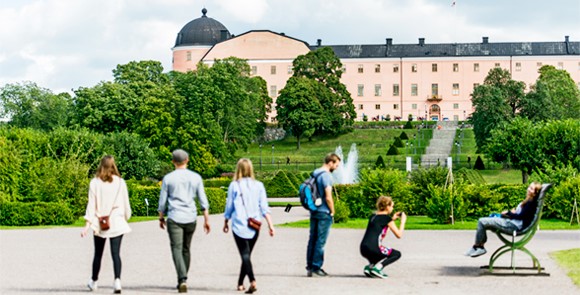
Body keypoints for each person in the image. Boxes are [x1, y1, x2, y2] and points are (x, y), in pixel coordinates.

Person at [158, 149, 211, 293]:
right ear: (187, 159)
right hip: (190, 217)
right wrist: (206, 219)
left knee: (176, 248)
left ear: (173, 162)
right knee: (186, 248)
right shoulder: (196, 178)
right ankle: (183, 278)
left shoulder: (168, 178)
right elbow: (203, 201)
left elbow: (162, 202)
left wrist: (161, 216)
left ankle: (182, 278)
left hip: (175, 217)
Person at [223, 158, 275, 294]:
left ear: (238, 169)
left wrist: (226, 221)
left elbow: (229, 206)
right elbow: (264, 207)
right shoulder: (259, 185)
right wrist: (270, 225)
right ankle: (240, 283)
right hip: (255, 225)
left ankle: (252, 281)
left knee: (245, 254)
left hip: (239, 224)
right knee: (247, 255)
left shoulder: (234, 185)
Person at [81, 155, 132, 293]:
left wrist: (87, 224)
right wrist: (126, 217)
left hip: (100, 222)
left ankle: (94, 281)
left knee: (98, 254)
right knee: (116, 254)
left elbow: (91, 205)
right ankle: (117, 281)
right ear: (113, 165)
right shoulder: (121, 182)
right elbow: (126, 204)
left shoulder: (95, 183)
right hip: (116, 221)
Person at [465, 182, 542, 257]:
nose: (528, 189)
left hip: (513, 226)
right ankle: (478, 246)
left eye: (531, 189)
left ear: (535, 193)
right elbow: (522, 214)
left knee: (482, 221)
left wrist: (509, 213)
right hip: (512, 223)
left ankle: (478, 247)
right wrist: (512, 212)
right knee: (485, 222)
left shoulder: (531, 203)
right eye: (529, 187)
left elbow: (521, 216)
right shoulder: (529, 201)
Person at [306, 153, 341, 277]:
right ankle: (316, 267)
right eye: (336, 164)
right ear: (330, 162)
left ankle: (310, 266)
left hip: (314, 210)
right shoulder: (326, 176)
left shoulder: (315, 173)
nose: (336, 167)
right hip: (324, 211)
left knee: (312, 239)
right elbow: (328, 197)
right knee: (321, 241)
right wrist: (333, 211)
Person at [360, 196, 406, 279]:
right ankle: (378, 268)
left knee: (380, 251)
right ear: (387, 206)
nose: (392, 208)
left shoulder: (373, 217)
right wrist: (402, 222)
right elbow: (399, 235)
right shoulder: (386, 219)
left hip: (363, 248)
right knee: (396, 254)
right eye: (392, 206)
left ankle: (370, 267)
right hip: (374, 249)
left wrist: (392, 219)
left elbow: (382, 234)